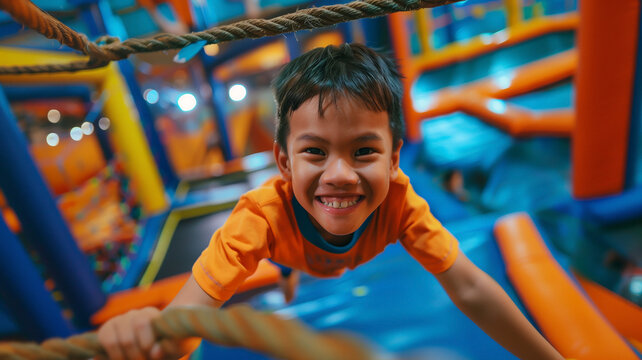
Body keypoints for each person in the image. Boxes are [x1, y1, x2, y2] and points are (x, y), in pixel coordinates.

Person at [97, 43, 564, 360]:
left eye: (364, 151)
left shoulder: (400, 202)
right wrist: (147, 335)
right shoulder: (259, 218)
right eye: (315, 152)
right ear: (284, 162)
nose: (340, 175)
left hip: (323, 249)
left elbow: (471, 289)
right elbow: (184, 325)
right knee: (289, 271)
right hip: (288, 252)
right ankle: (289, 278)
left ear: (395, 158)